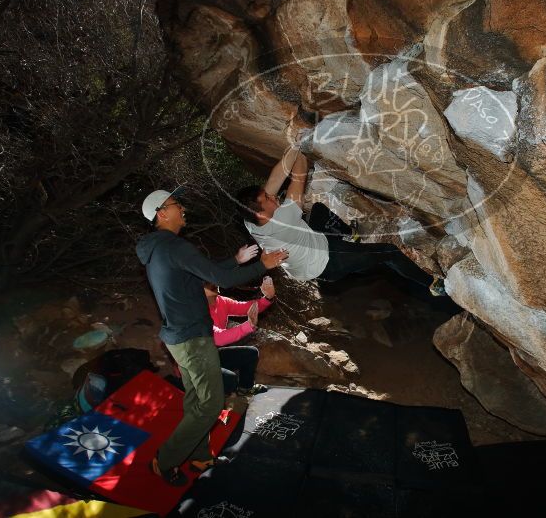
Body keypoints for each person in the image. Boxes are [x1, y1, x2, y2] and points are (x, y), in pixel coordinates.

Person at [136, 186, 288, 486]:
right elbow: (221, 280)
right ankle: (164, 460)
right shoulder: (173, 246)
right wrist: (262, 265)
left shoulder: (160, 248)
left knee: (196, 400)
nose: (182, 208)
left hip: (177, 336)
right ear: (162, 213)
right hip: (192, 338)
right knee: (210, 404)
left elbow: (205, 270)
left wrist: (236, 259)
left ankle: (198, 454)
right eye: (175, 204)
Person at [236, 144, 446, 295]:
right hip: (328, 263)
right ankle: (432, 284)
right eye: (268, 199)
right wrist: (300, 149)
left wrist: (295, 143)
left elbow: (274, 178)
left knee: (318, 211)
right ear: (261, 212)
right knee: (389, 253)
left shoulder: (252, 221)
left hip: (309, 254)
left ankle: (351, 236)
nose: (274, 196)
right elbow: (300, 172)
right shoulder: (286, 219)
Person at [205, 276, 275, 396]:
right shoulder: (194, 310)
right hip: (196, 363)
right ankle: (211, 405)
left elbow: (246, 307)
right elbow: (217, 337)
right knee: (229, 380)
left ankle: (245, 389)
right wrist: (248, 326)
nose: (218, 290)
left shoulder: (220, 301)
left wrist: (268, 297)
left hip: (212, 354)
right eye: (212, 287)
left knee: (251, 353)